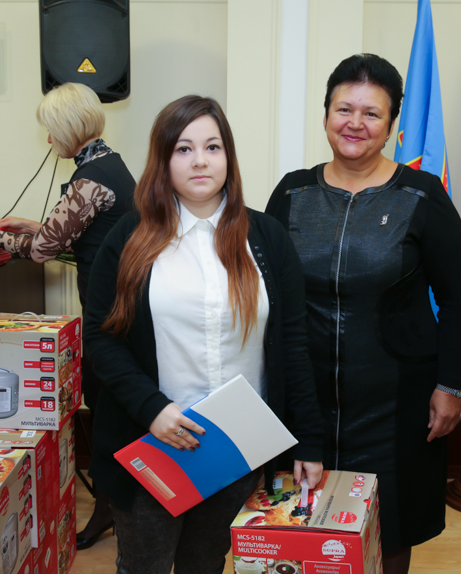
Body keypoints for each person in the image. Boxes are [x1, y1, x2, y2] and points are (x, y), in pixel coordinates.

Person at [82, 95, 325, 574]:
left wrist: (310, 443)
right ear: (163, 159)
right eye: (183, 148)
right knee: (144, 566)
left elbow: (294, 345)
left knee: (206, 563)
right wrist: (152, 409)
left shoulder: (267, 237)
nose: (199, 161)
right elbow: (100, 337)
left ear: (228, 157)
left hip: (237, 446)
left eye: (212, 147)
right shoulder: (130, 236)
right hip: (153, 441)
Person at [266, 54, 461, 574]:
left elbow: (458, 298)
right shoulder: (291, 193)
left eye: (371, 113)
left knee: (391, 524)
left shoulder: (422, 196)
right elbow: (265, 294)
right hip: (304, 398)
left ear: (391, 125)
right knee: (300, 522)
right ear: (325, 115)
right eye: (344, 109)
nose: (354, 123)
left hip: (397, 402)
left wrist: (450, 384)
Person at [0, 82, 135, 550]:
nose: (49, 140)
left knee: (106, 410)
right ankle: (115, 506)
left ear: (68, 128)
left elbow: (42, 251)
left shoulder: (90, 179)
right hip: (121, 307)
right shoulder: (110, 167)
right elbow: (79, 234)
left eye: (51, 131)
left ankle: (110, 508)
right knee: (109, 407)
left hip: (107, 312)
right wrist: (33, 224)